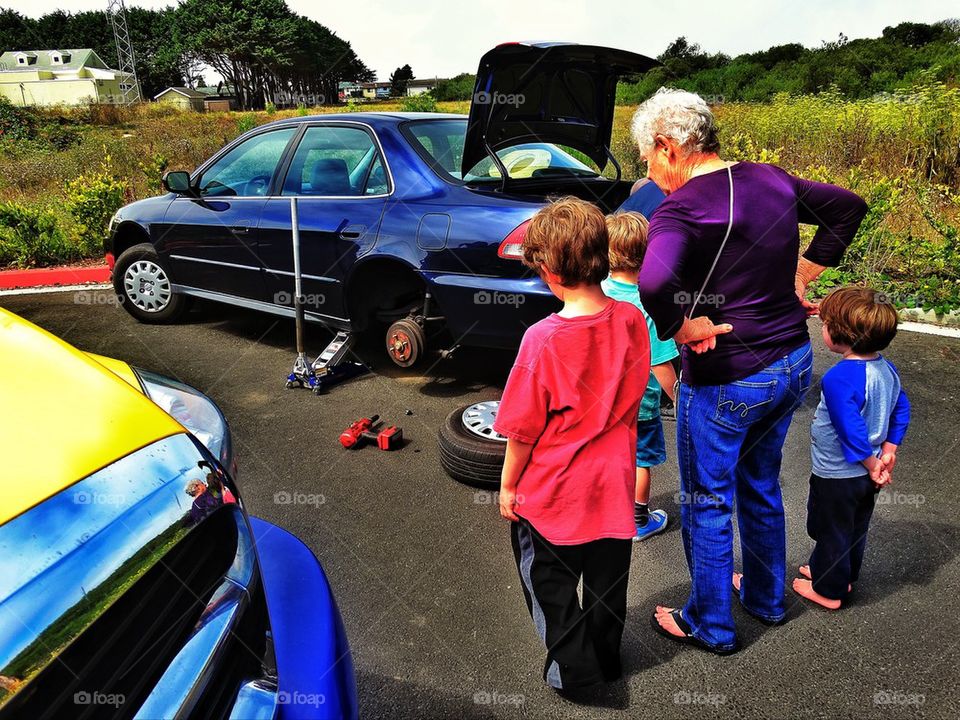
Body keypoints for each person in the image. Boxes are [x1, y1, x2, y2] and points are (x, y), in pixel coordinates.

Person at [634, 88, 868, 653]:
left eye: (648, 160)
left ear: (668, 147)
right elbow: (848, 207)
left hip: (726, 377)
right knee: (759, 484)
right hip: (790, 360)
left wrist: (680, 328)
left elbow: (654, 284)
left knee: (706, 500)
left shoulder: (681, 207)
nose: (650, 175)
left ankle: (710, 623)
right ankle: (765, 598)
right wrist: (805, 272)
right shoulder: (772, 178)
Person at [493, 196, 652, 691]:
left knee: (551, 587)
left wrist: (507, 486)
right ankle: (607, 659)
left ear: (547, 269)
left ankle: (576, 675)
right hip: (614, 485)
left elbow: (522, 430)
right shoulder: (630, 320)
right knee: (608, 587)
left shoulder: (542, 339)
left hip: (554, 494)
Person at [794, 287, 910, 609]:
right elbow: (901, 408)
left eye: (826, 323)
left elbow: (851, 430)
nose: (823, 327)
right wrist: (889, 450)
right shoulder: (886, 369)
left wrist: (873, 464)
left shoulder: (838, 378)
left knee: (829, 528)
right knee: (854, 526)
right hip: (865, 474)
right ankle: (836, 571)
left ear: (841, 334)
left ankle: (829, 591)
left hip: (838, 474)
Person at [601, 211, 679, 541]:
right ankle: (637, 521)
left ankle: (606, 508)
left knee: (609, 453)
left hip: (601, 398)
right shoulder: (649, 304)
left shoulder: (599, 290)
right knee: (640, 460)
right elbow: (660, 363)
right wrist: (681, 399)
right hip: (639, 403)